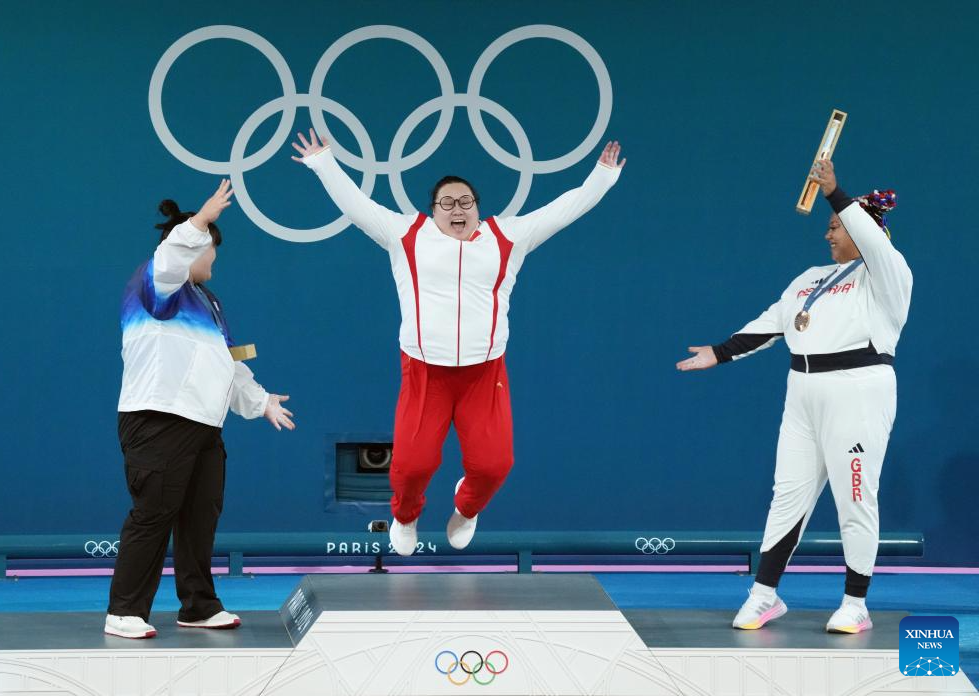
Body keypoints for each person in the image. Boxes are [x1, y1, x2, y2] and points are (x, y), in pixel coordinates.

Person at [291, 129, 625, 556]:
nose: (457, 209)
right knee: (411, 468)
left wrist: (601, 177)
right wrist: (324, 163)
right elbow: (357, 206)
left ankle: (466, 509)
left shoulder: (507, 238)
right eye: (446, 203)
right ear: (432, 211)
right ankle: (406, 517)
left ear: (479, 209)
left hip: (484, 374)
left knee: (494, 465)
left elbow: (563, 210)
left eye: (465, 202)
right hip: (425, 373)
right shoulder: (406, 236)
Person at [677, 159, 910, 633]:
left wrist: (835, 192)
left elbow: (870, 239)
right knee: (788, 495)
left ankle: (855, 604)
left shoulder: (887, 276)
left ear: (862, 230)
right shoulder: (809, 277)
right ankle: (764, 596)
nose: (827, 235)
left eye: (835, 228)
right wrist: (719, 353)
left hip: (858, 391)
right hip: (803, 392)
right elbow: (772, 324)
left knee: (855, 497)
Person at [105, 180, 295, 639]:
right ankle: (124, 611)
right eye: (211, 249)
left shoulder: (208, 302)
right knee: (154, 513)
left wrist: (260, 400)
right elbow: (173, 256)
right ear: (196, 246)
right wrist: (202, 220)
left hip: (204, 425)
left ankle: (197, 605)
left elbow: (226, 362)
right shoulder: (157, 283)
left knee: (199, 516)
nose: (214, 260)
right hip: (158, 419)